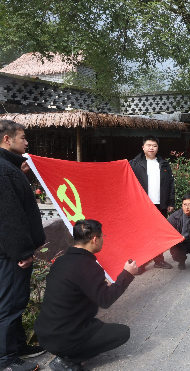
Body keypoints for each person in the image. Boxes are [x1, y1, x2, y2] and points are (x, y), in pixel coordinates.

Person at [35, 219, 138, 371]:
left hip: (44, 334)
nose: (103, 240)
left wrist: (102, 287)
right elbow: (105, 300)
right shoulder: (88, 266)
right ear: (95, 240)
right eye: (102, 236)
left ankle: (67, 352)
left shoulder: (61, 261)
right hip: (64, 338)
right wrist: (127, 274)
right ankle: (66, 361)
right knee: (122, 333)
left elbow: (76, 288)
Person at [0, 120, 47, 371]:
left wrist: (21, 173)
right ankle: (6, 360)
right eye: (23, 137)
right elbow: (10, 216)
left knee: (17, 302)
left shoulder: (9, 167)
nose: (27, 142)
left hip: (11, 251)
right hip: (11, 253)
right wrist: (22, 252)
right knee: (9, 305)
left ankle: (18, 347)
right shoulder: (4, 170)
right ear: (7, 139)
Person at [129, 136, 175, 273]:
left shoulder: (164, 164)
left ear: (157, 148)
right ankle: (142, 262)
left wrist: (170, 202)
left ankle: (159, 260)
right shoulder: (134, 164)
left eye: (154, 146)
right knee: (142, 234)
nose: (151, 148)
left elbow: (170, 184)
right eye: (148, 145)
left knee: (158, 233)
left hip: (160, 204)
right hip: (142, 205)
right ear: (143, 147)